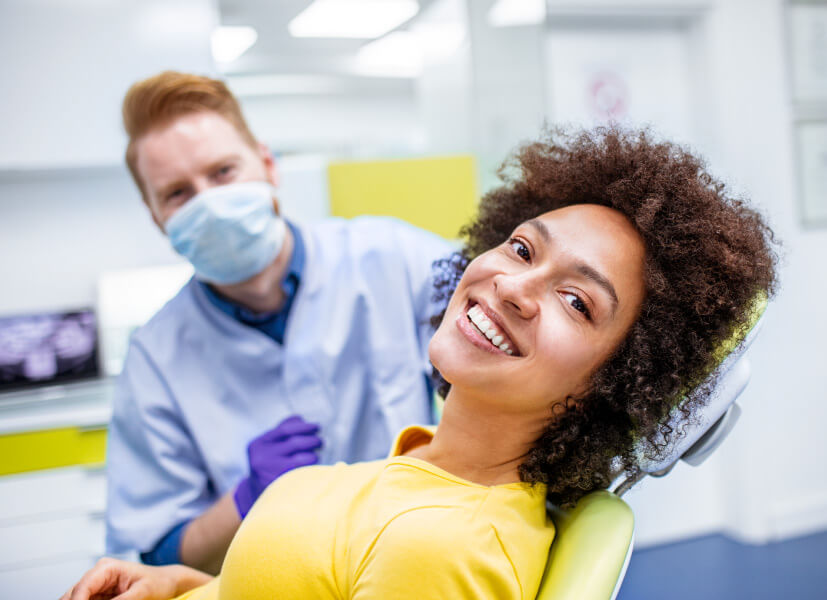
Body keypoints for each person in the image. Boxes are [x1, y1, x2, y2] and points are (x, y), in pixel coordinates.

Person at [66, 126, 777, 600]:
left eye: (577, 302)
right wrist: (184, 587)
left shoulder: (444, 546)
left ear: (616, 383)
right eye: (524, 249)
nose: (513, 287)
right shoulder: (415, 475)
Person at [105, 71, 453, 573]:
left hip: (417, 560)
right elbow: (158, 550)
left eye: (223, 172)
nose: (209, 203)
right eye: (179, 193)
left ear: (268, 165)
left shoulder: (395, 258)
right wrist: (248, 497)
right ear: (155, 215)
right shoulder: (155, 359)